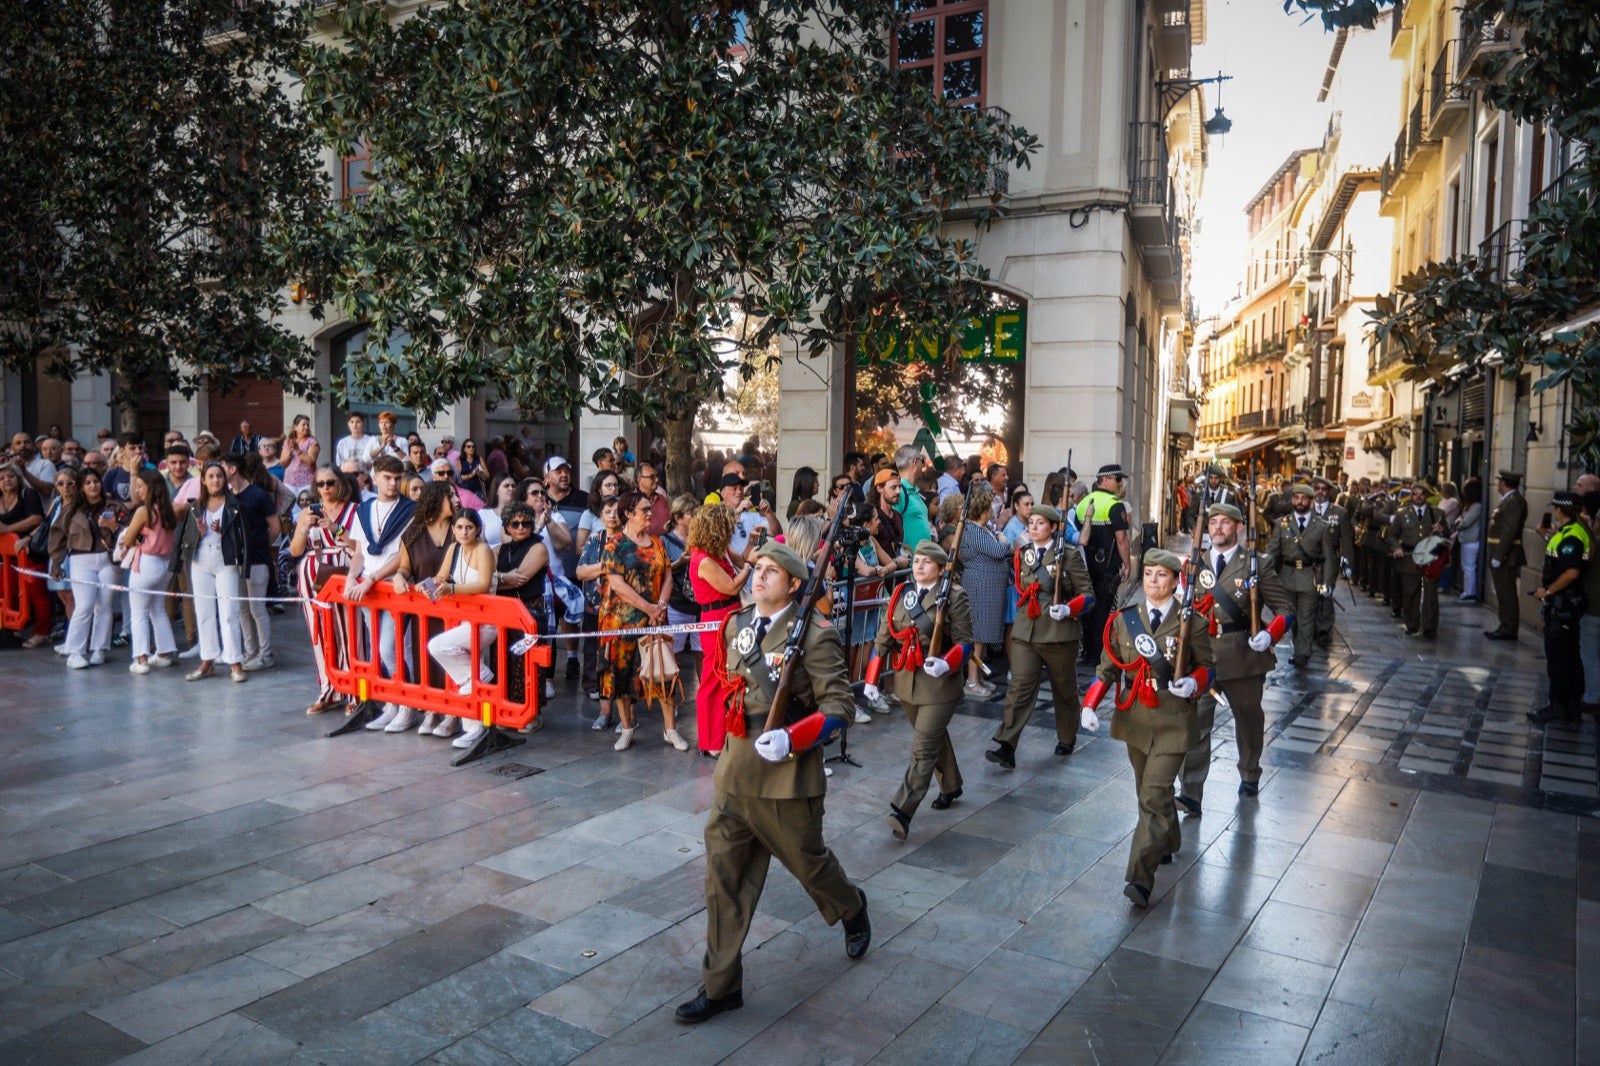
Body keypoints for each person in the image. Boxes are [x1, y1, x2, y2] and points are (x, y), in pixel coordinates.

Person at [675, 541, 870, 1025]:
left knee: (810, 867)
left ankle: (851, 906)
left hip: (787, 777)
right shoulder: (737, 623)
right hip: (736, 771)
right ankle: (721, 986)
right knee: (722, 882)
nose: (758, 577)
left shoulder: (817, 634)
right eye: (756, 569)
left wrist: (793, 738)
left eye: (770, 571)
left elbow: (839, 708)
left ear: (794, 583)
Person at [1079, 548, 1214, 908]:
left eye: (1162, 575)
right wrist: (1090, 704)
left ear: (1175, 581)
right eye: (1149, 574)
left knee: (1154, 794)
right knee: (1147, 793)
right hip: (1135, 720)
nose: (1153, 581)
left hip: (1173, 721)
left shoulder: (1192, 622)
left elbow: (1208, 668)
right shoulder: (1125, 620)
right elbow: (1109, 668)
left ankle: (1139, 878)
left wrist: (1194, 684)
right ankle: (1168, 840)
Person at [1179, 503, 1294, 813]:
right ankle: (1190, 791)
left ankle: (1249, 771)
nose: (1217, 528)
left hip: (1242, 655)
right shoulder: (1194, 563)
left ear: (1239, 527)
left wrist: (1270, 635)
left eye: (1225, 523)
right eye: (1213, 522)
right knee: (1196, 725)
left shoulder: (1256, 564)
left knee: (1248, 719)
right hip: (1203, 658)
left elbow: (1285, 609)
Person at [862, 539, 972, 838]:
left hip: (940, 686)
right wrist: (872, 677)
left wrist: (948, 664)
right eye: (916, 560)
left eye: (926, 561)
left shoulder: (954, 597)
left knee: (923, 748)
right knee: (932, 737)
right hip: (907, 682)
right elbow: (884, 637)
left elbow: (965, 643)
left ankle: (902, 810)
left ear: (939, 568)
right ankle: (951, 784)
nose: (918, 565)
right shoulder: (902, 594)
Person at [987, 503, 1094, 769]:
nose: (1033, 528)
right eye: (1031, 522)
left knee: (1064, 688)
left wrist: (1069, 607)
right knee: (1020, 688)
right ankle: (1007, 744)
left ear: (1054, 527)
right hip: (1027, 629)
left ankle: (1067, 736)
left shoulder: (1068, 555)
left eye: (1040, 523)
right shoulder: (1024, 553)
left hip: (1058, 631)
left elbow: (1088, 594)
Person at [600, 491, 681, 751]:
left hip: (655, 620)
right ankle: (626, 728)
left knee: (663, 672)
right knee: (622, 676)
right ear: (628, 513)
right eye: (644, 510)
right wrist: (648, 607)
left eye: (650, 509)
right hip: (620, 622)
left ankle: (671, 730)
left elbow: (668, 575)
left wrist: (661, 607)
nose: (650, 514)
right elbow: (617, 584)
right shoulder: (614, 545)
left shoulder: (657, 543)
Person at [343, 455, 418, 728]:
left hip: (392, 586)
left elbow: (403, 555)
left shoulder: (410, 509)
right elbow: (359, 553)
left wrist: (370, 579)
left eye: (397, 478)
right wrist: (352, 578)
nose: (393, 483)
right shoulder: (363, 510)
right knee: (379, 648)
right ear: (374, 478)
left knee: (391, 648)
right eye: (387, 477)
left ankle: (407, 707)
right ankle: (392, 704)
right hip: (368, 588)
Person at [388, 481, 460, 737]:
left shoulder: (460, 528)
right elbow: (405, 567)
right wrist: (399, 577)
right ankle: (432, 710)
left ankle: (453, 712)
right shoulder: (415, 532)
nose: (455, 499)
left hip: (457, 606)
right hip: (425, 607)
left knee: (453, 657)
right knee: (424, 657)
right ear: (436, 500)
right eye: (450, 495)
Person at [424, 507, 499, 748]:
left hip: (486, 621)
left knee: (437, 646)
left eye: (469, 527)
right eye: (459, 527)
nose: (464, 532)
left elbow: (483, 584)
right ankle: (472, 727)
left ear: (477, 529)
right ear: (453, 529)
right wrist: (428, 585)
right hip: (465, 619)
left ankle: (478, 676)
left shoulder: (483, 550)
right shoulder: (454, 548)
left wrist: (452, 589)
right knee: (466, 682)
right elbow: (441, 577)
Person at [289, 466, 359, 714]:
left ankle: (353, 691)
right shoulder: (308, 512)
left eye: (330, 482)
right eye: (320, 484)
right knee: (319, 633)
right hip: (313, 576)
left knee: (349, 632)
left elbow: (359, 545)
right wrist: (304, 529)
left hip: (345, 572)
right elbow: (296, 550)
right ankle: (328, 688)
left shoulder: (354, 510)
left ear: (341, 483)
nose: (326, 488)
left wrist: (335, 528)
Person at [689, 504, 753, 758]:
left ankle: (724, 731)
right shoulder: (703, 559)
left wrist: (752, 551)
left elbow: (742, 557)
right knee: (713, 679)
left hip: (730, 615)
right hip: (716, 617)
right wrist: (749, 568)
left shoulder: (719, 551)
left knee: (728, 675)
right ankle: (711, 740)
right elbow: (731, 586)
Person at [181, 462, 249, 682]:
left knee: (229, 610)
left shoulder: (234, 505)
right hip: (200, 560)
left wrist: (223, 532)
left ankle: (235, 661)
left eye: (219, 476)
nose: (215, 480)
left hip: (225, 558)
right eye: (210, 476)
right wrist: (200, 534)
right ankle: (207, 660)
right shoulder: (195, 506)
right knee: (204, 611)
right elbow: (184, 538)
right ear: (203, 479)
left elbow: (244, 539)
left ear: (225, 479)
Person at [1526, 492, 1590, 724]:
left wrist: (1548, 591)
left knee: (1559, 658)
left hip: (1564, 602)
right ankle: (1571, 706)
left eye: (1555, 507)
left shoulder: (1573, 535)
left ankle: (1559, 706)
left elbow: (1571, 571)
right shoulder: (1567, 532)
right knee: (1568, 656)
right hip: (1565, 602)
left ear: (1560, 509)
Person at [48, 468, 119, 668]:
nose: (92, 486)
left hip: (108, 558)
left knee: (105, 606)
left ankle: (100, 648)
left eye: (95, 481)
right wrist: (56, 562)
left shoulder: (112, 505)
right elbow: (57, 537)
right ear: (82, 486)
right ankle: (75, 651)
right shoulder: (72, 509)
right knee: (84, 606)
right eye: (87, 483)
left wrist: (114, 528)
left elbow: (128, 529)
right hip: (81, 559)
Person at [1265, 483, 1338, 665]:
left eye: (1304, 498)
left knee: (1306, 617)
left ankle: (1302, 653)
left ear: (1311, 502)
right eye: (1296, 498)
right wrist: (1264, 574)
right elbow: (1273, 552)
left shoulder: (1321, 526)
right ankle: (1299, 645)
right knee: (1293, 618)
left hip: (1310, 577)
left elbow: (1329, 558)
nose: (1300, 501)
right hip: (1287, 577)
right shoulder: (1282, 525)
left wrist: (1328, 583)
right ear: (1292, 500)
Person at [221, 453, 280, 671]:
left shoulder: (258, 495)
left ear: (233, 469)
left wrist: (261, 546)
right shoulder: (227, 496)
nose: (219, 473)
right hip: (236, 561)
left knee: (257, 608)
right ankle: (250, 650)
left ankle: (266, 653)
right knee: (242, 609)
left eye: (223, 467)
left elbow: (274, 527)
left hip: (257, 560)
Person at [117, 470, 180, 674]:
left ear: (151, 487)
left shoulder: (144, 511)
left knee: (139, 613)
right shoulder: (171, 509)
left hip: (147, 563)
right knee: (158, 609)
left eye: (140, 486)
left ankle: (141, 659)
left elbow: (128, 540)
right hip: (165, 563)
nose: (137, 489)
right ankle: (164, 653)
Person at [493, 500, 551, 707]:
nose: (520, 528)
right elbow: (483, 578)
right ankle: (505, 708)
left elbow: (520, 578)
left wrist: (496, 579)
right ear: (507, 526)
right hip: (503, 613)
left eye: (525, 523)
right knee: (501, 662)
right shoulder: (499, 550)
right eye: (515, 524)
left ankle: (531, 711)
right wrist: (501, 578)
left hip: (529, 611)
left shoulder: (539, 547)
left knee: (527, 664)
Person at [1075, 464, 1132, 665]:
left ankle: (1087, 650)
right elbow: (1122, 538)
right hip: (1107, 566)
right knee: (1103, 607)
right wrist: (1127, 564)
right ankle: (1097, 654)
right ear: (1106, 479)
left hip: (1084, 565)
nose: (1120, 483)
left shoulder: (1083, 503)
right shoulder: (1115, 505)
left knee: (1087, 607)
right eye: (1118, 479)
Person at [957, 486, 1009, 698]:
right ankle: (971, 681)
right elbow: (998, 550)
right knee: (977, 637)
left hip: (988, 588)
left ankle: (979, 677)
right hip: (980, 587)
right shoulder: (972, 530)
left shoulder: (981, 529)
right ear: (983, 509)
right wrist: (1004, 540)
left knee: (983, 636)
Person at [575, 493, 622, 710]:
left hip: (621, 608)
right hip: (594, 605)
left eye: (616, 511)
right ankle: (592, 684)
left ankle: (620, 694)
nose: (612, 515)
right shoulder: (595, 539)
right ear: (600, 516)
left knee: (620, 651)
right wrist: (606, 566)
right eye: (607, 511)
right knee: (592, 648)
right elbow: (581, 572)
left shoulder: (628, 539)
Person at [1386, 482, 1446, 639]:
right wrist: (1396, 548)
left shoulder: (1437, 514)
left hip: (1430, 557)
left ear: (1426, 496)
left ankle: (1430, 626)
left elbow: (1446, 536)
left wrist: (1442, 531)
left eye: (1421, 493)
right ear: (1410, 496)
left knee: (1431, 593)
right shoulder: (1401, 514)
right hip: (1409, 556)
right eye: (1414, 493)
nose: (1418, 496)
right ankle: (1412, 624)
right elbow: (1391, 535)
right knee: (1410, 592)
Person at [0, 461, 51, 647]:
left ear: (18, 478)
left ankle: (42, 632)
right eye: (2, 478)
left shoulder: (27, 494)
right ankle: (8, 631)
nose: (7, 480)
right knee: (6, 592)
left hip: (30, 549)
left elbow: (37, 518)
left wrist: (8, 529)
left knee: (36, 592)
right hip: (6, 557)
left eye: (11, 476)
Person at [1484, 471, 1528, 640]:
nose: (1498, 485)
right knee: (1504, 592)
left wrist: (1499, 555)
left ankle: (1508, 628)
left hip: (1506, 556)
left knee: (1506, 593)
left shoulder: (1513, 502)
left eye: (1499, 482)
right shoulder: (1509, 501)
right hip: (1502, 554)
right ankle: (1505, 625)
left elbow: (1510, 530)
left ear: (1504, 483)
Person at [1310, 476, 1352, 650]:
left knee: (1326, 595)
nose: (1320, 492)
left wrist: (1348, 564)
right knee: (1309, 596)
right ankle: (1309, 629)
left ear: (1329, 492)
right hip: (1308, 560)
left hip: (1329, 561)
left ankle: (1324, 632)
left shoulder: (1339, 513)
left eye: (1323, 489)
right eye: (1317, 488)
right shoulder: (1306, 511)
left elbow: (1347, 541)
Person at [890, 445, 931, 548]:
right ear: (915, 462)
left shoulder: (913, 491)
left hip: (919, 560)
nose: (924, 464)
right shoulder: (899, 492)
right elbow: (891, 524)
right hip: (909, 560)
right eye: (922, 460)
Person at [1455, 478, 1484, 602]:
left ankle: (1470, 592)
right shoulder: (1470, 506)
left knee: (1469, 567)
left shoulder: (1476, 506)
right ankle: (1468, 590)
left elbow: (1465, 522)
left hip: (1471, 540)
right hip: (1466, 539)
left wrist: (1459, 523)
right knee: (1467, 566)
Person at [280, 414, 319, 493]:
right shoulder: (288, 441)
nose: (306, 427)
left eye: (308, 425)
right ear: (295, 427)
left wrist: (297, 450)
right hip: (289, 482)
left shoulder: (312, 442)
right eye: (303, 425)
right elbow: (282, 463)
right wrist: (289, 452)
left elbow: (310, 462)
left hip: (306, 482)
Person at [636, 462, 671, 537]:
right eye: (652, 477)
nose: (657, 480)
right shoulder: (631, 500)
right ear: (639, 480)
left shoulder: (662, 499)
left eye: (657, 476)